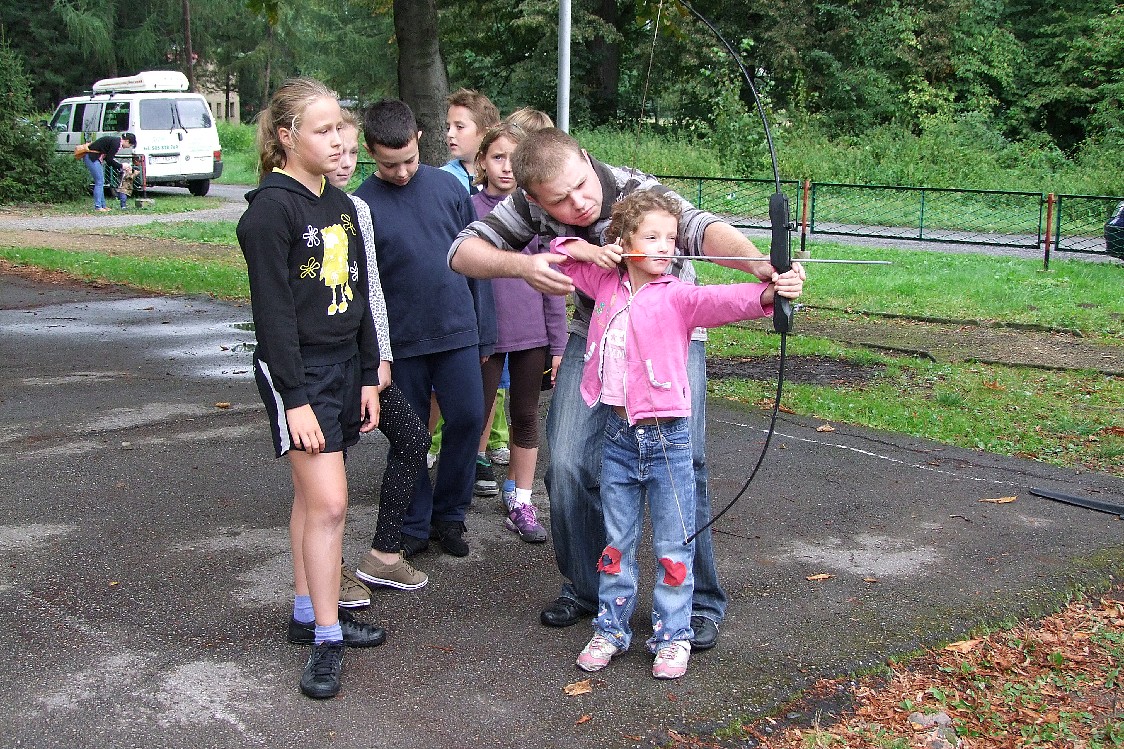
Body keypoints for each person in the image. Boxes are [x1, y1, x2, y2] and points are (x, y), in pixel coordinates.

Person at [448, 127, 806, 651]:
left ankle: (700, 602)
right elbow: (461, 251)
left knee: (686, 464)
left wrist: (759, 267)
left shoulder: (638, 190)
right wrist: (524, 265)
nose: (578, 203)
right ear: (533, 200)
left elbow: (701, 228)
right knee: (568, 463)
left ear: (586, 158)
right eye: (559, 200)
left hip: (672, 330)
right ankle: (589, 590)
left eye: (581, 185)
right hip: (597, 331)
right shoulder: (528, 207)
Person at [554, 190, 803, 679]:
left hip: (668, 441)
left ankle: (673, 635)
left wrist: (774, 291)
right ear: (623, 240)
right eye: (652, 237)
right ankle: (611, 629)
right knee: (616, 543)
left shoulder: (678, 295)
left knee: (673, 544)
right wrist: (593, 252)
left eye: (671, 238)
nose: (666, 246)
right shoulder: (604, 282)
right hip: (618, 437)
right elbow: (560, 254)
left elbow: (726, 300)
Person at [237, 77, 386, 700]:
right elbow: (273, 318)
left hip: (344, 369)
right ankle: (327, 637)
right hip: (298, 374)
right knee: (329, 505)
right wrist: (295, 399)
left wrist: (369, 373)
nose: (337, 140)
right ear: (286, 136)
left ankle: (307, 613)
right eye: (322, 130)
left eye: (339, 128)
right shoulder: (270, 212)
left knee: (310, 498)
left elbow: (358, 295)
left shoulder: (342, 204)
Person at [353, 99, 493, 558]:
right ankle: (413, 522)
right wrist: (374, 354)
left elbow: (476, 258)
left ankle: (450, 515)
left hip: (458, 329)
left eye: (409, 161)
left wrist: (485, 329)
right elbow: (364, 286)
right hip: (401, 342)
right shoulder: (361, 204)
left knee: (468, 418)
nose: (401, 173)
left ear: (418, 139)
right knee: (410, 435)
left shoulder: (449, 187)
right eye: (389, 165)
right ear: (371, 152)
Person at [326, 110, 430, 605]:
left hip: (361, 360)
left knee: (412, 437)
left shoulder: (358, 210)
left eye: (351, 152)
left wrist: (380, 358)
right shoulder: (286, 209)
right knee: (329, 475)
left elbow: (371, 292)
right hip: (319, 367)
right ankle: (329, 572)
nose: (345, 162)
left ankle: (384, 554)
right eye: (337, 151)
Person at [471, 121, 567, 543]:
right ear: (482, 161)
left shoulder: (540, 213)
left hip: (533, 336)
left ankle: (521, 500)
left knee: (525, 416)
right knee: (475, 414)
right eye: (498, 157)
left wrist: (558, 344)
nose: (507, 167)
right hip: (485, 336)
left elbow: (554, 284)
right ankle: (452, 501)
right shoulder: (469, 207)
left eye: (514, 158)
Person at [432, 88, 507, 486]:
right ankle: (431, 445)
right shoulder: (442, 180)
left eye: (460, 126)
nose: (450, 134)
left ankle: (478, 450)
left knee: (492, 381)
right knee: (443, 382)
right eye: (448, 126)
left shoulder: (503, 187)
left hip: (491, 298)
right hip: (451, 295)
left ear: (485, 132)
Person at [83, 132, 136, 212]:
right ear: (127, 141)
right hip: (92, 157)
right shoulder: (116, 143)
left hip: (95, 158)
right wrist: (121, 166)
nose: (128, 147)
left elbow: (108, 158)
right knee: (99, 182)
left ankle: (103, 205)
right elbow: (109, 160)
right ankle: (98, 206)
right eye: (130, 145)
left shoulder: (116, 141)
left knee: (101, 182)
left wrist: (120, 166)